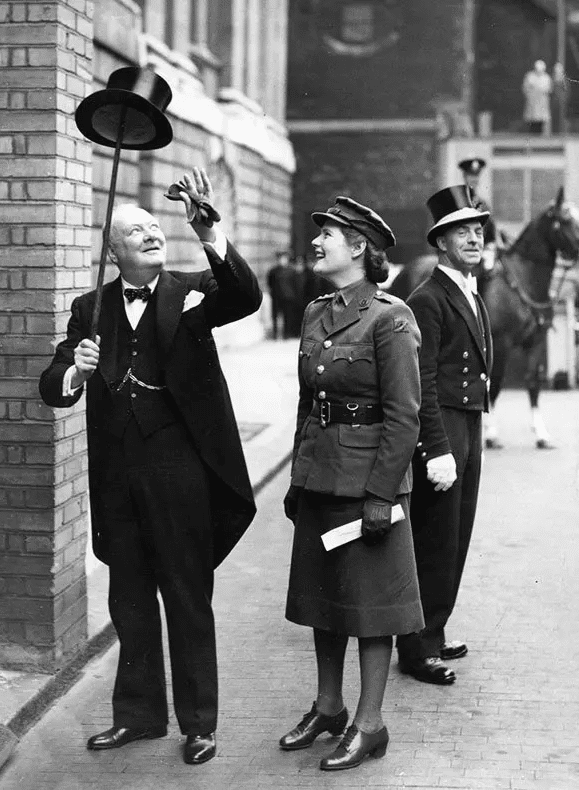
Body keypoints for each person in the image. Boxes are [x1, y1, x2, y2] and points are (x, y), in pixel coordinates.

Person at [39, 168, 262, 764]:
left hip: (181, 473)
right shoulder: (90, 310)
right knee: (129, 600)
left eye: (156, 227)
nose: (152, 233)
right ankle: (137, 717)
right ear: (113, 253)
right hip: (118, 480)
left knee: (187, 597)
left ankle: (199, 724)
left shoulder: (191, 291)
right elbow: (53, 389)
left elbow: (245, 297)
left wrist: (208, 232)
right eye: (136, 230)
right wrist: (76, 371)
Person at [279, 197, 424, 771]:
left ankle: (370, 723)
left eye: (330, 235)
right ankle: (329, 706)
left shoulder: (391, 317)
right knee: (324, 599)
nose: (317, 243)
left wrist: (383, 495)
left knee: (369, 607)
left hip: (367, 484)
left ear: (360, 247)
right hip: (320, 478)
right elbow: (308, 403)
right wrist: (298, 476)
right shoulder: (316, 312)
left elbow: (405, 415)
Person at [396, 185, 493, 685]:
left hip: (467, 424)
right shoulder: (429, 297)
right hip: (443, 431)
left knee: (456, 535)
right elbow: (422, 379)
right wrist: (436, 448)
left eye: (478, 230)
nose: (474, 238)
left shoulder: (469, 290)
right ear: (441, 242)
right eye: (462, 232)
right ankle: (415, 649)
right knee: (433, 538)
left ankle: (434, 632)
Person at [458, 157, 497, 288]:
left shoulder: (483, 205)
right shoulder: (456, 202)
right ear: (464, 177)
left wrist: (490, 248)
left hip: (479, 252)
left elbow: (491, 233)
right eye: (470, 175)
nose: (474, 179)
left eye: (476, 176)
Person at [522, 60, 552, 135]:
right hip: (532, 104)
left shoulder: (546, 77)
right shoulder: (530, 76)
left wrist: (540, 91)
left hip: (542, 104)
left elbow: (549, 89)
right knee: (531, 122)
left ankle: (541, 139)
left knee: (541, 122)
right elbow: (525, 89)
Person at [267, 250, 291, 339]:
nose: (282, 260)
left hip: (287, 296)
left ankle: (286, 334)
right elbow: (270, 282)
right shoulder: (273, 271)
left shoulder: (291, 270)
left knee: (287, 316)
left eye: (284, 259)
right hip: (276, 296)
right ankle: (275, 334)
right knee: (275, 316)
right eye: (281, 259)